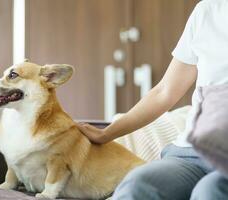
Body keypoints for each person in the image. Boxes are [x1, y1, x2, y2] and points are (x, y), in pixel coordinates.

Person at [77, 0, 228, 199]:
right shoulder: (208, 10)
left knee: (209, 191)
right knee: (138, 185)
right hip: (191, 153)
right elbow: (164, 92)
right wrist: (107, 134)